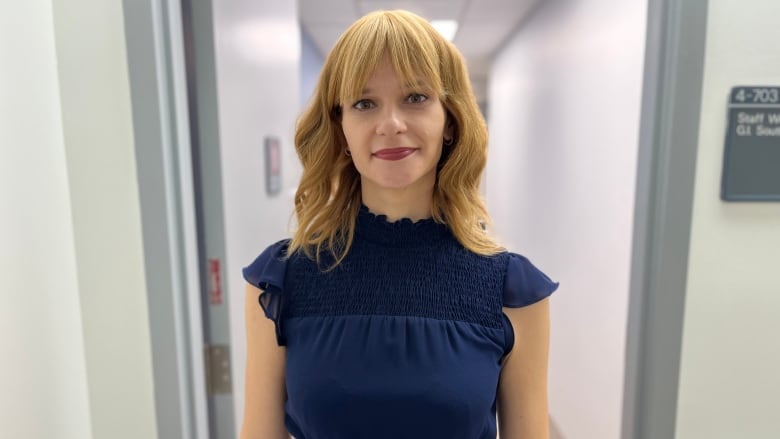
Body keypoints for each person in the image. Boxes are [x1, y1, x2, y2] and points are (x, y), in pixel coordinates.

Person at [240, 9, 558, 439]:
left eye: (415, 98)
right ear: (341, 128)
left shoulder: (512, 289)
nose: (390, 125)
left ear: (450, 120)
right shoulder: (280, 281)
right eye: (364, 103)